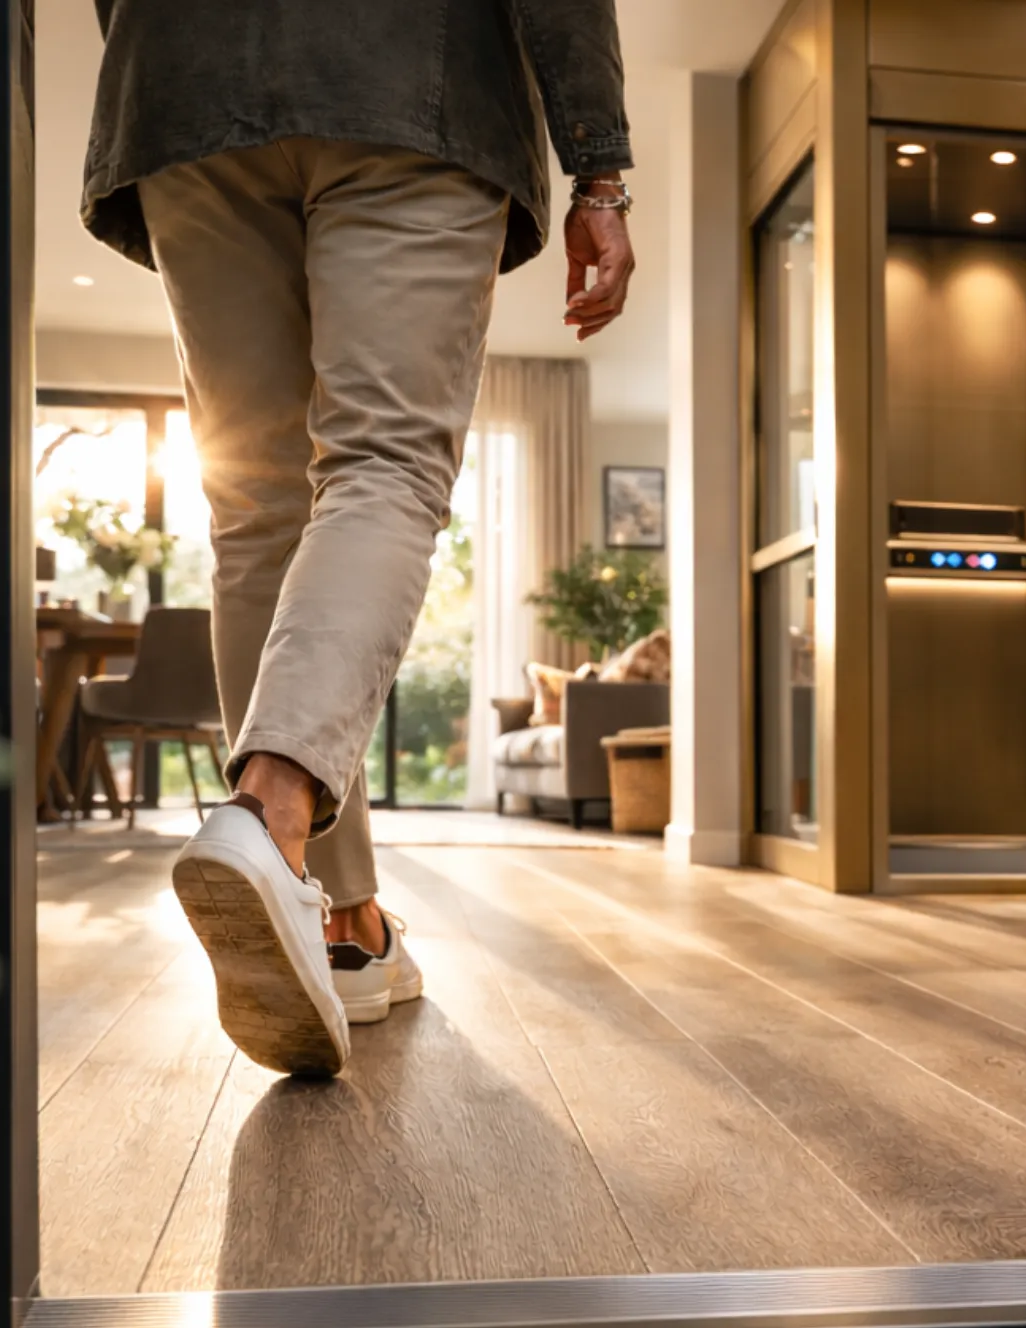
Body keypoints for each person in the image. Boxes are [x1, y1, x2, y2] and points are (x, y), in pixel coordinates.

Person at [80, 1, 636, 1078]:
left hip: (185, 91)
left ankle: (344, 926)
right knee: (383, 464)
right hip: (413, 81)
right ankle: (269, 814)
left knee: (256, 515)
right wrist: (600, 175)